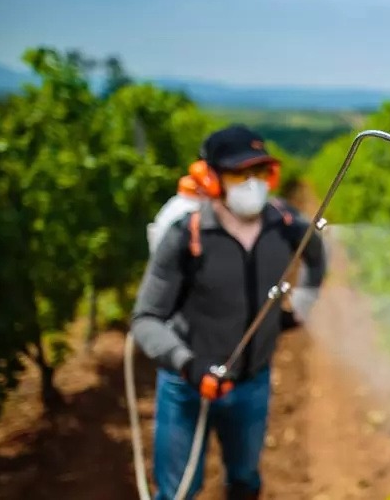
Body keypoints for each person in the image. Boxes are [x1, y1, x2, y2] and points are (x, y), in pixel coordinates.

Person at [130, 124, 326, 500]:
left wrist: (298, 310)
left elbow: (316, 257)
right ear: (211, 178)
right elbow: (146, 318)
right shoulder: (186, 237)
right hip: (185, 387)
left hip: (252, 382)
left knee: (245, 480)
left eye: (259, 172)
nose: (251, 183)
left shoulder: (285, 227)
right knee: (177, 490)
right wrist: (188, 363)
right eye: (239, 173)